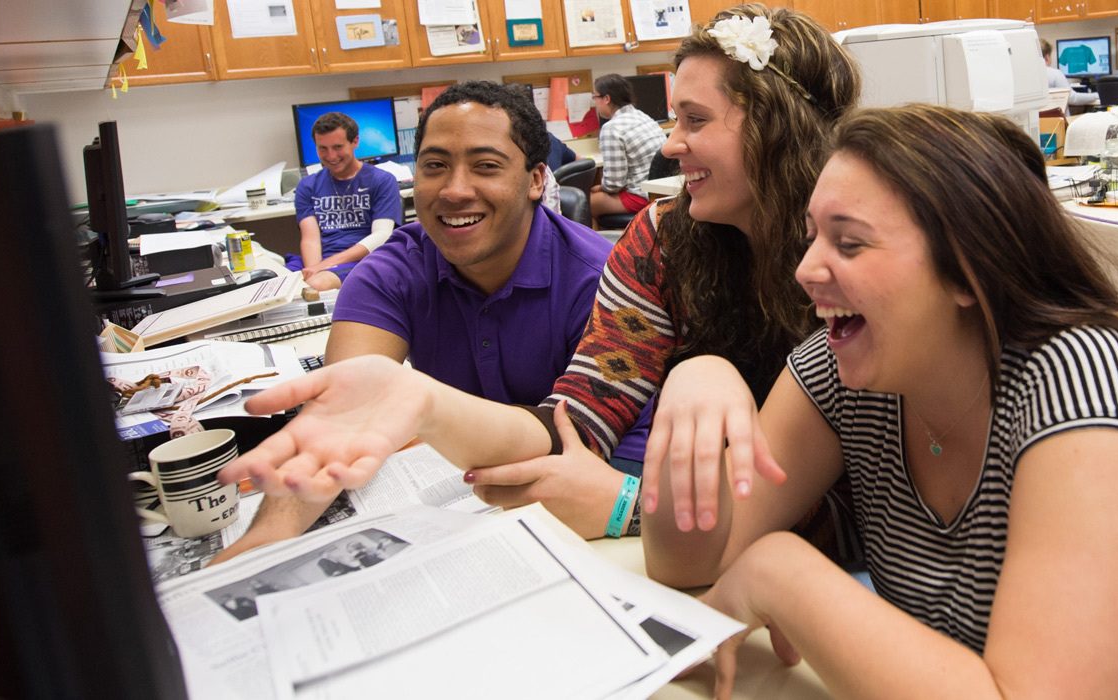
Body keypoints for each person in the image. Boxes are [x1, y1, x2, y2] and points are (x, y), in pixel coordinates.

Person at [643, 104, 1118, 697]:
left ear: (968, 271)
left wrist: (781, 573)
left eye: (849, 242)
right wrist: (701, 379)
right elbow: (688, 562)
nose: (805, 268)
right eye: (811, 235)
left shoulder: (1087, 383)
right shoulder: (848, 370)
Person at [219, 5, 859, 545]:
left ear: (776, 128)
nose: (669, 144)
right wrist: (422, 402)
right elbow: (581, 415)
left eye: (694, 121)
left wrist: (629, 507)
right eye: (435, 166)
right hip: (728, 548)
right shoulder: (662, 239)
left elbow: (872, 511)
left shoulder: (859, 262)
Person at [211, 81, 645, 560]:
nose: (455, 190)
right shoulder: (393, 271)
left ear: (536, 180)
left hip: (588, 526)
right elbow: (338, 419)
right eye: (435, 166)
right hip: (475, 516)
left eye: (486, 166)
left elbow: (607, 451)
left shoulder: (604, 280)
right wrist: (262, 544)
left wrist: (426, 404)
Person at [292, 112, 404, 292]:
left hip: (366, 259)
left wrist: (323, 269)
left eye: (338, 147)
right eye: (323, 148)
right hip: (323, 260)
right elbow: (310, 239)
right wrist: (314, 269)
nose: (331, 155)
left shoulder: (382, 180)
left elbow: (381, 236)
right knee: (277, 281)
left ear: (355, 142)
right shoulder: (308, 186)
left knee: (317, 285)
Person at [587, 72, 668, 219]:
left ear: (606, 99)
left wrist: (602, 187)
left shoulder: (611, 128)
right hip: (657, 191)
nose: (594, 103)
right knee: (595, 191)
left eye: (595, 97)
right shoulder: (643, 116)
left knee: (583, 202)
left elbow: (614, 184)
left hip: (640, 196)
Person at [1041, 39, 1099, 107]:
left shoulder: (1026, 76)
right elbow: (1073, 99)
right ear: (1047, 57)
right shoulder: (1055, 74)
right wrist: (1097, 95)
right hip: (1058, 117)